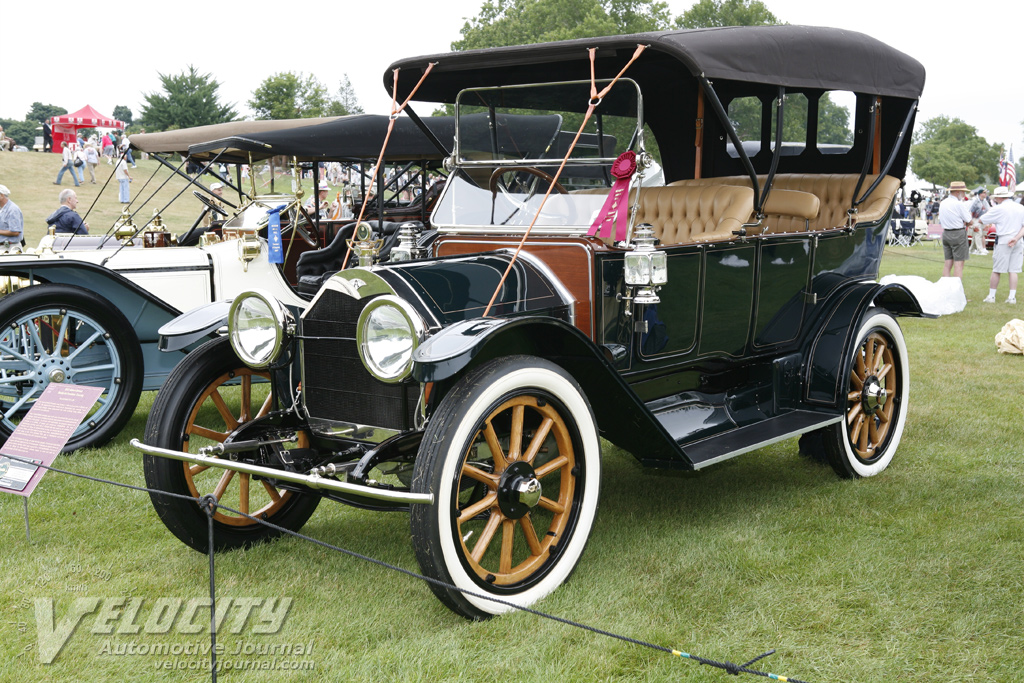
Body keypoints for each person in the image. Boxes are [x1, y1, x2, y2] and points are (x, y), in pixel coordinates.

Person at [978, 186, 1024, 304]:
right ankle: (1012, 297)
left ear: (999, 197)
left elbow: (982, 220)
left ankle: (991, 296)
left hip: (1004, 239)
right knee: (1013, 270)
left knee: (997, 269)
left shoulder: (998, 208)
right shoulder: (1020, 207)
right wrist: (1016, 238)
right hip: (1018, 239)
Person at [939, 181, 973, 278]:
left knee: (948, 262)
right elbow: (969, 221)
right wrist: (967, 223)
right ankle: (956, 286)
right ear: (958, 192)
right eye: (963, 192)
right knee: (959, 263)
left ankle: (945, 284)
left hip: (946, 233)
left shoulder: (943, 203)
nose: (964, 194)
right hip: (958, 233)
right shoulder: (959, 204)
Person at [968, 188, 991, 255]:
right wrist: (970, 221)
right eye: (984, 193)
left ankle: (971, 249)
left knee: (977, 235)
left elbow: (988, 209)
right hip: (975, 219)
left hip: (982, 219)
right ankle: (980, 250)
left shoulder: (984, 201)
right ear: (980, 194)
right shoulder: (975, 200)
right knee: (978, 233)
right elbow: (970, 210)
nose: (986, 194)